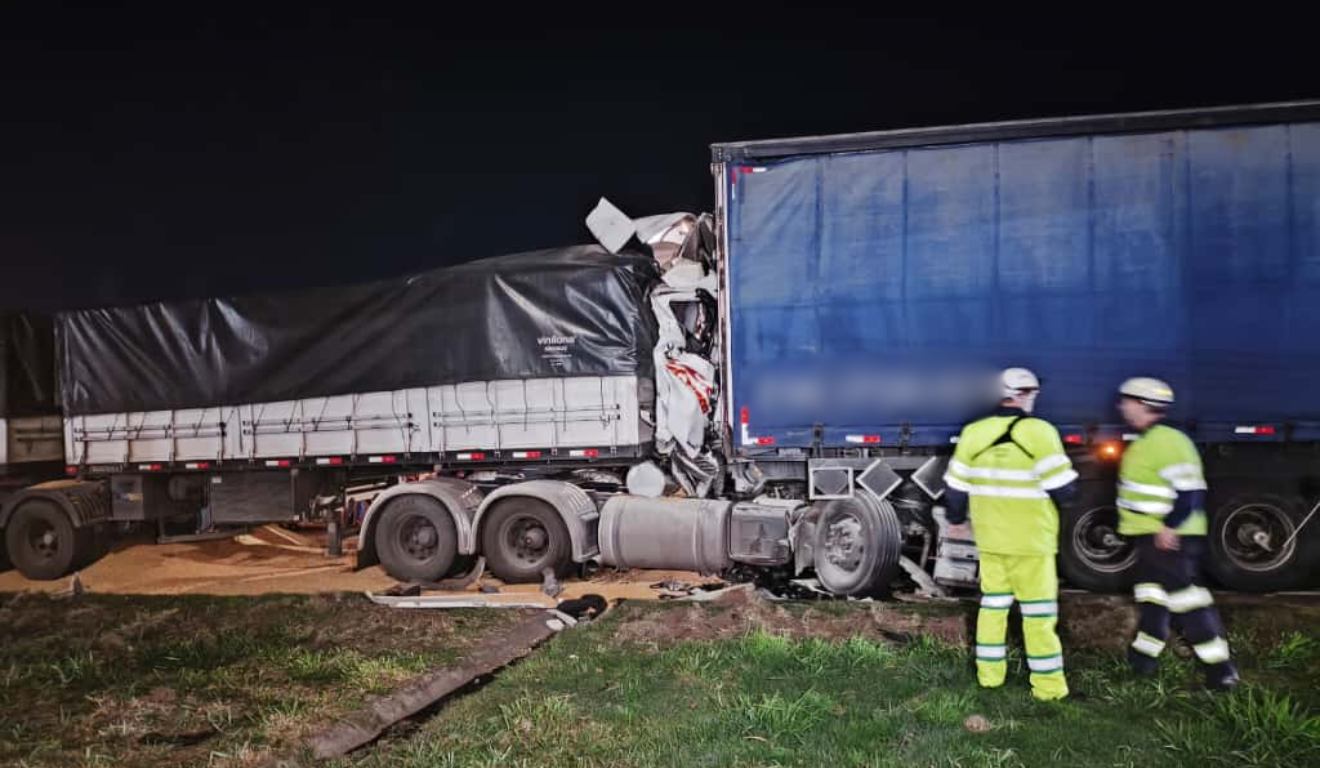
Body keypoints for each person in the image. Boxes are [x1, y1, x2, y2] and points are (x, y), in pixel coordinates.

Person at [943, 368, 1077, 701]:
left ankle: (989, 678)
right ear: (1022, 395)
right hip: (1032, 542)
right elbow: (1065, 491)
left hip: (991, 540)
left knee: (993, 608)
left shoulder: (973, 433)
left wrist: (957, 519)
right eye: (1031, 392)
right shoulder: (1040, 432)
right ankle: (1048, 688)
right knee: (1038, 615)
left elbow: (955, 489)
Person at [1115, 377, 1239, 690]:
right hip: (1152, 536)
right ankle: (1142, 662)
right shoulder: (1149, 440)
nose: (1121, 407)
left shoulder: (1168, 441)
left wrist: (1170, 526)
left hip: (1169, 538)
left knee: (1187, 601)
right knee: (1153, 598)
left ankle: (1221, 671)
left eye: (1126, 401)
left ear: (1143, 404)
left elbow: (1191, 491)